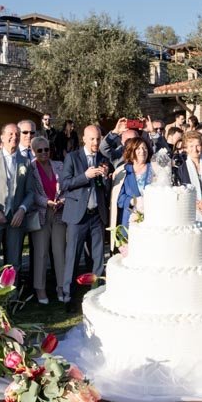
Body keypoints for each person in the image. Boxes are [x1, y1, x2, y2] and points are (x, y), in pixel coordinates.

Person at [60, 125, 111, 304]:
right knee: (73, 257)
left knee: (97, 258)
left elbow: (104, 190)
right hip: (77, 216)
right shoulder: (73, 158)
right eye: (92, 139)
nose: (95, 142)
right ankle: (68, 297)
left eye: (98, 139)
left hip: (96, 215)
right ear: (84, 139)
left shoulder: (103, 159)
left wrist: (105, 178)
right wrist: (85, 176)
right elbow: (65, 184)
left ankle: (96, 296)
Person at [0, 124, 35, 277]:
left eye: (17, 134)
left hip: (16, 219)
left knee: (13, 262)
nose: (14, 137)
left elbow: (30, 192)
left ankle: (11, 296)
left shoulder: (26, 162)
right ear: (2, 137)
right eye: (10, 134)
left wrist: (22, 209)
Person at [29, 136, 65, 305]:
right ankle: (40, 288)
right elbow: (30, 192)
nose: (44, 153)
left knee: (59, 252)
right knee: (41, 253)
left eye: (46, 149)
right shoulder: (30, 168)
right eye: (40, 150)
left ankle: (61, 287)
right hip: (41, 214)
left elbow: (65, 186)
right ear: (33, 151)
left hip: (58, 213)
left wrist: (62, 200)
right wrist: (45, 202)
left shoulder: (59, 165)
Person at [175, 131, 202, 222]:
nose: (195, 149)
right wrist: (196, 205)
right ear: (186, 148)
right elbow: (179, 192)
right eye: (191, 146)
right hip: (190, 213)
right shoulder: (180, 169)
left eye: (198, 145)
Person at [116, 137, 153, 230]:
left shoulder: (154, 169)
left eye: (145, 148)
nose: (142, 151)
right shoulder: (123, 171)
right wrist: (133, 201)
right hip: (128, 220)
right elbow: (119, 198)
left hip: (151, 219)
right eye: (138, 148)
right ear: (131, 151)